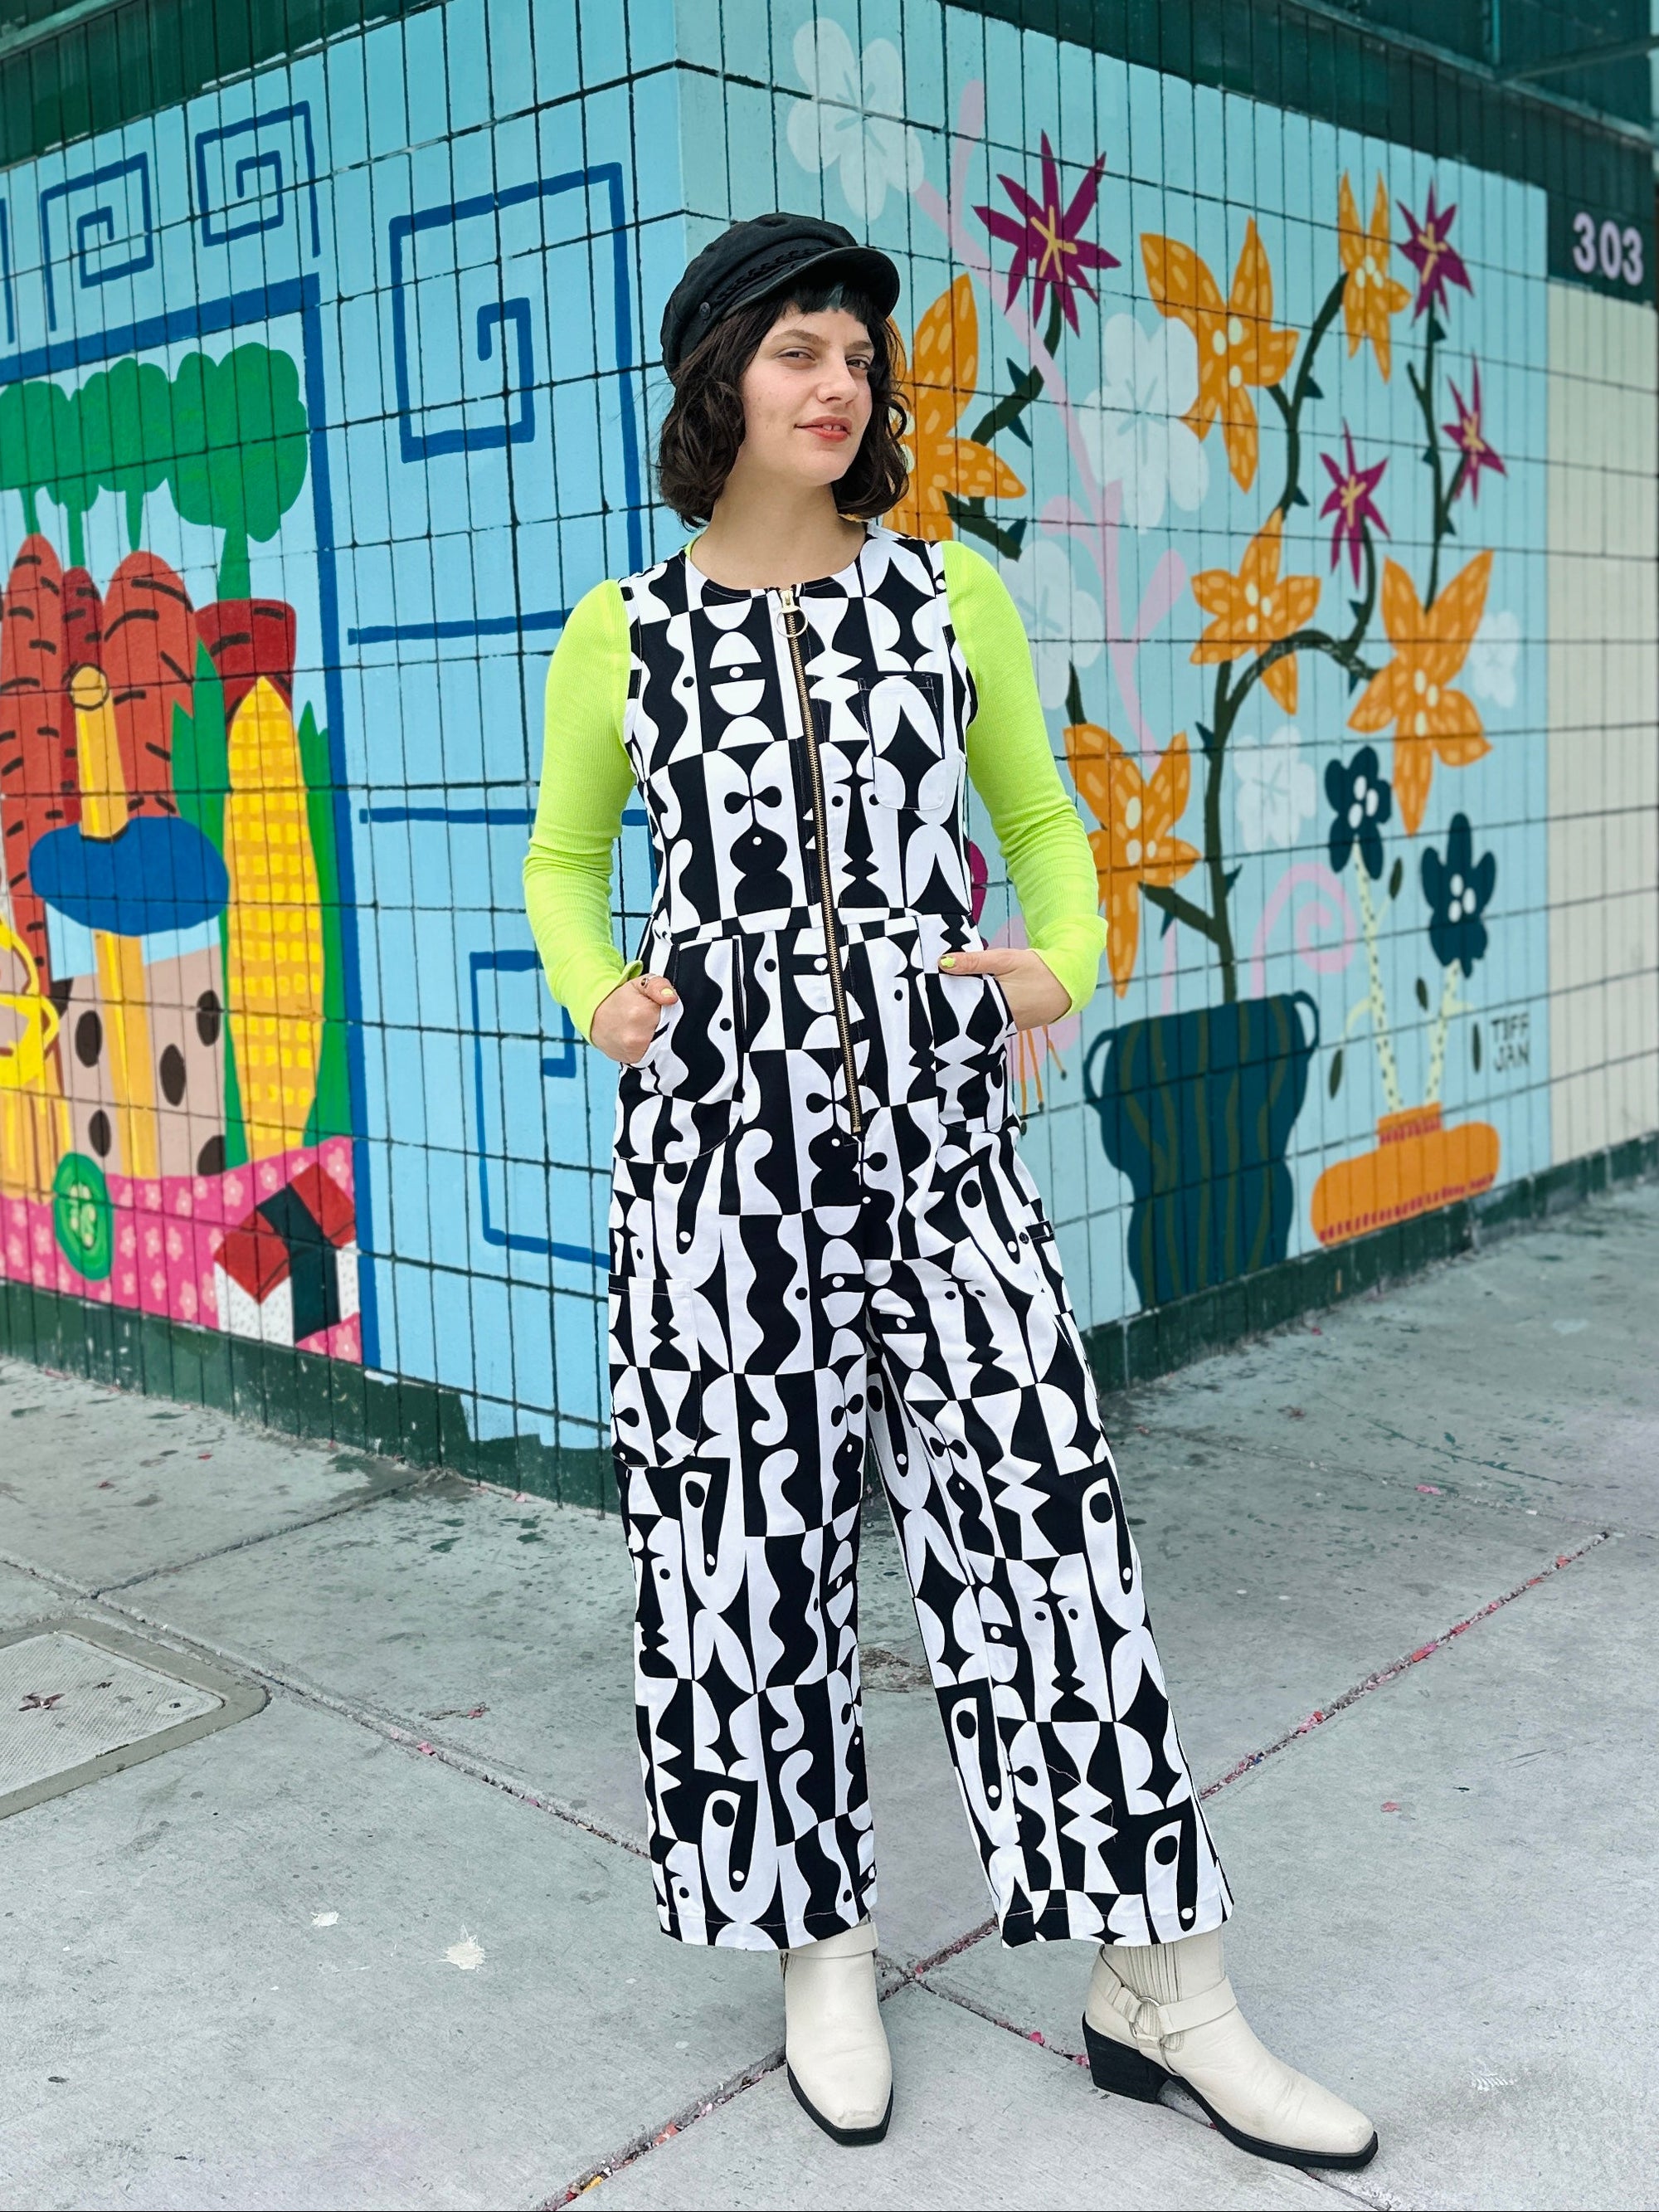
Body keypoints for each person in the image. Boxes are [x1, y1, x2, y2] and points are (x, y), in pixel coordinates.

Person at [523, 212, 1376, 2172]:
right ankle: (817, 1943)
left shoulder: (945, 594)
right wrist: (601, 996)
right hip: (714, 1163)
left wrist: (1060, 964)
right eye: (797, 350)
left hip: (940, 1147)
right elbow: (566, 860)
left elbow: (1043, 822)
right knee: (742, 1562)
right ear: (716, 376)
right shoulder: (619, 634)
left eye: (856, 355)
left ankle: (1163, 1981)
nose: (837, 384)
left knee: (1047, 1533)